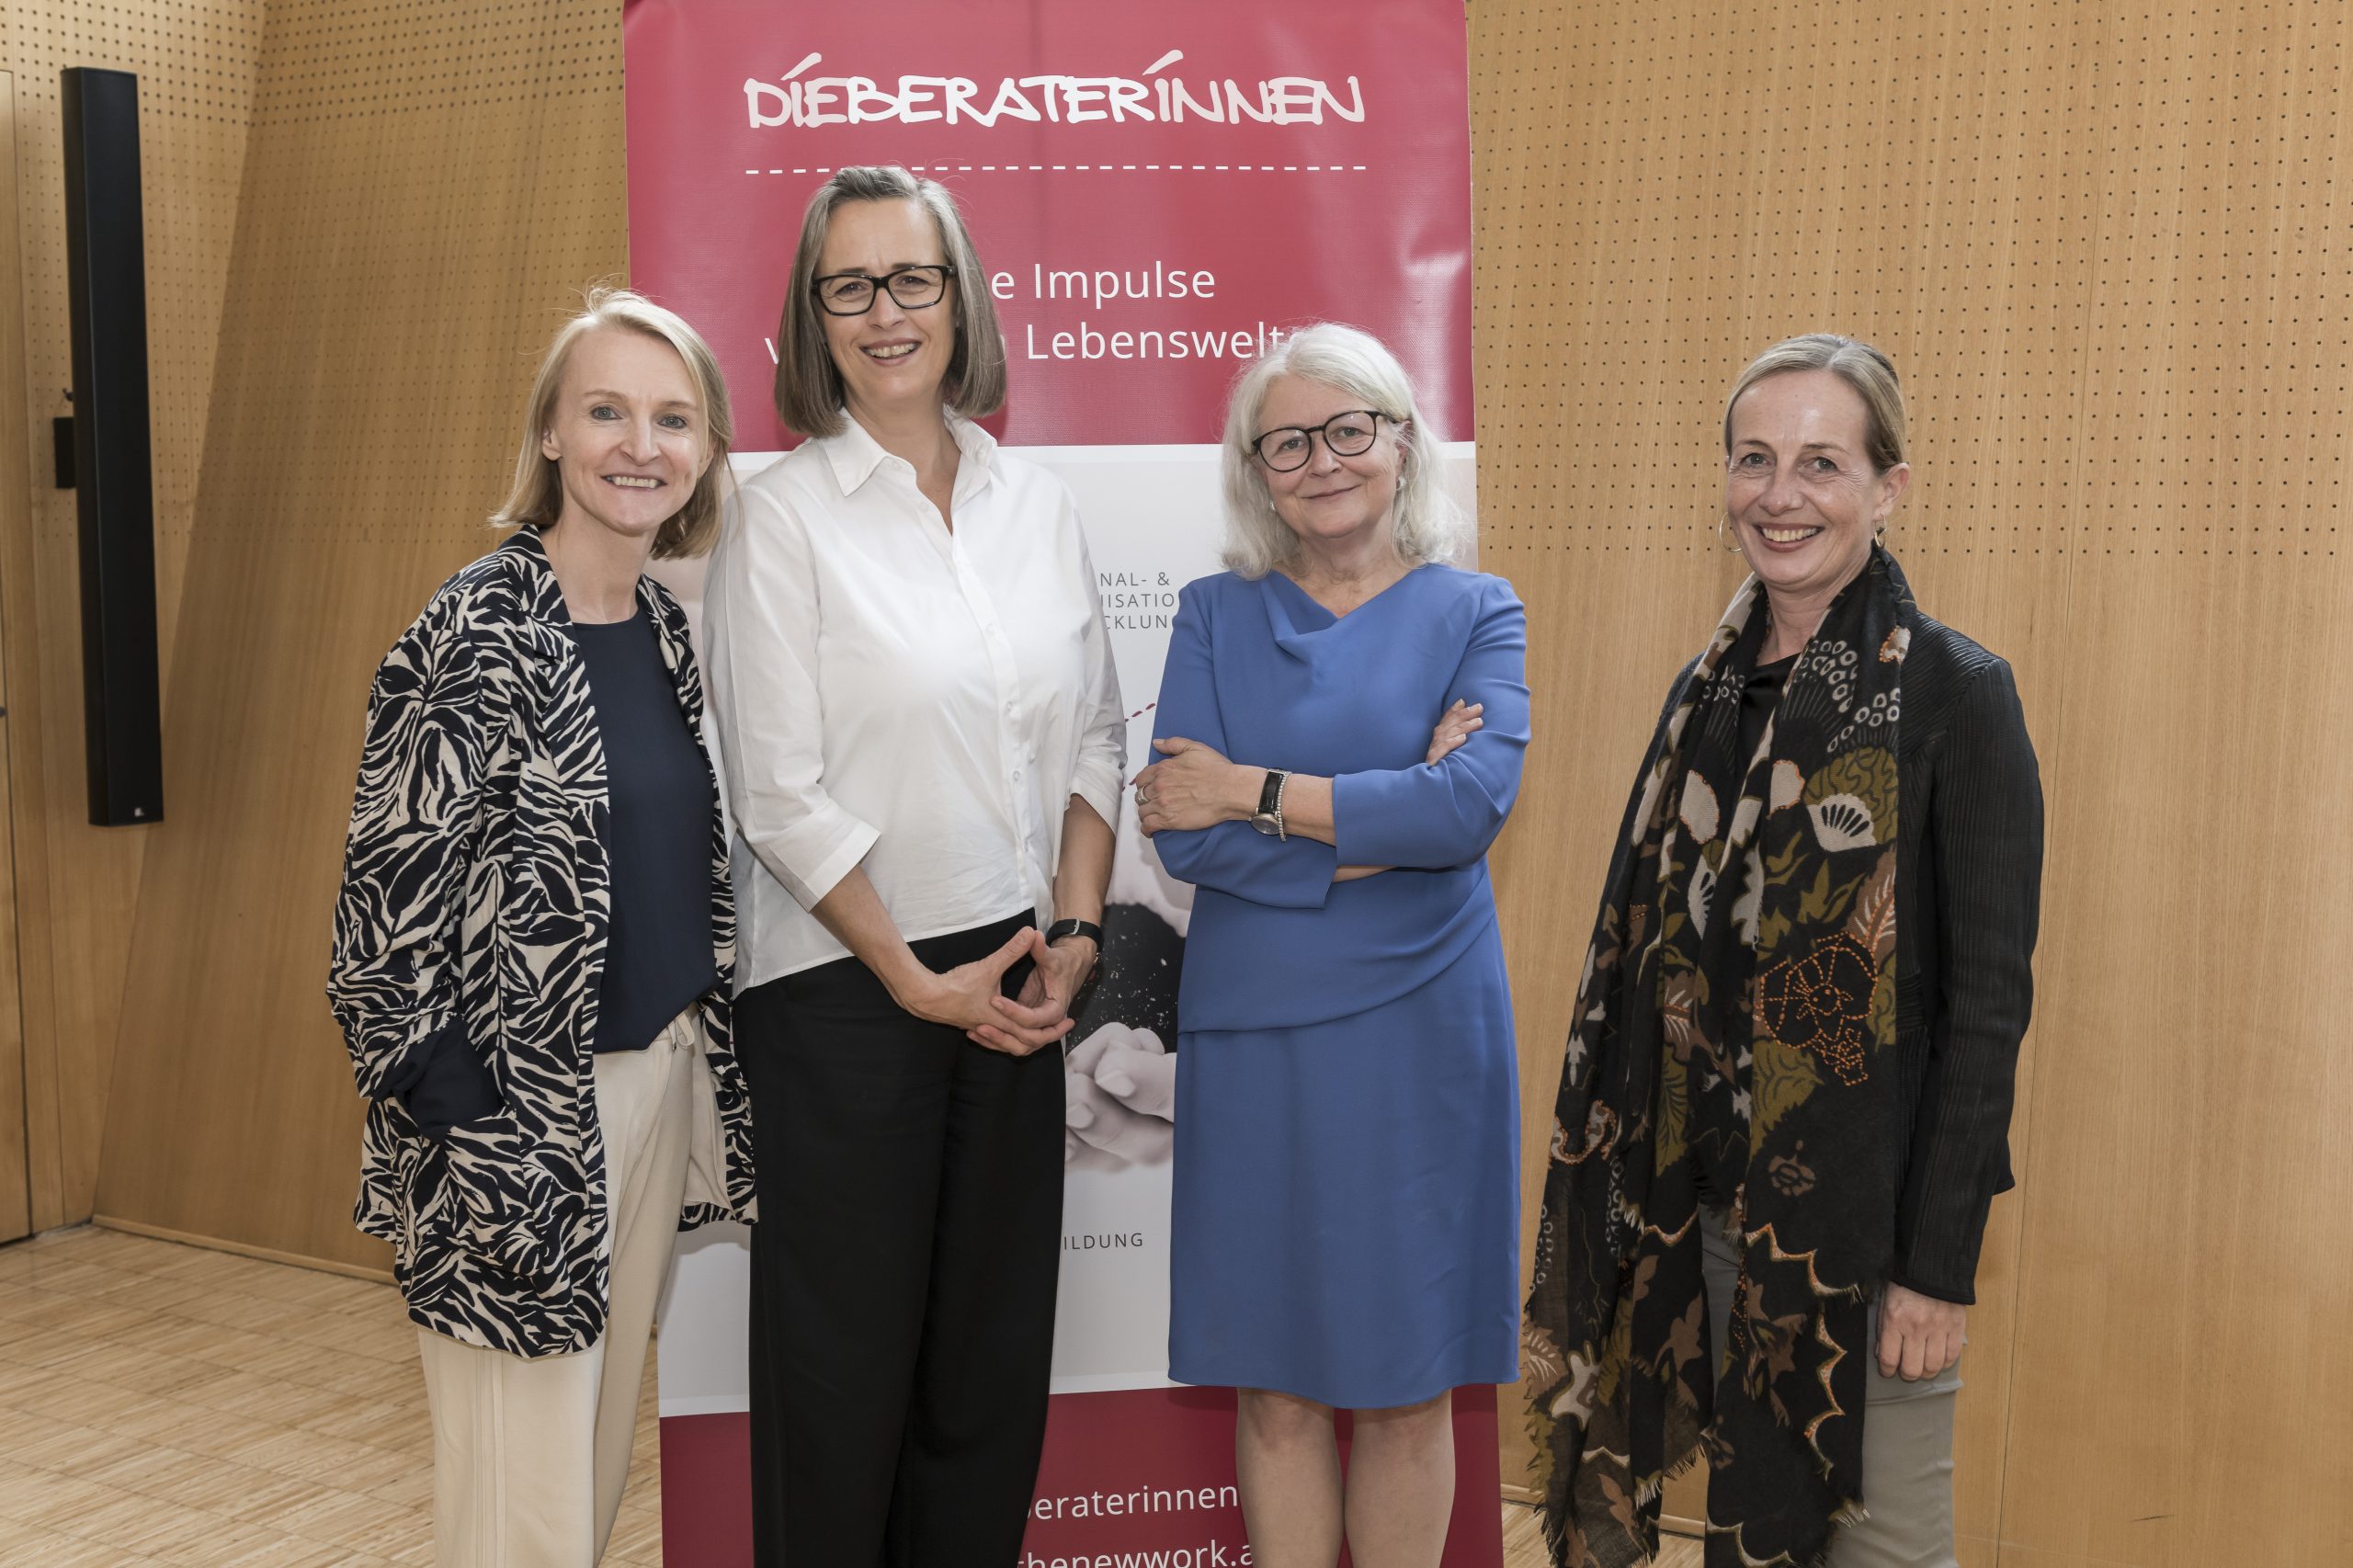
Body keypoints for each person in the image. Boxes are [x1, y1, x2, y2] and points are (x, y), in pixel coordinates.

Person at [1524, 334, 2044, 1566]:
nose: (1780, 493)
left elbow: (1986, 1007)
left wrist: (1936, 1269)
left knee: (1882, 1548)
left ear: (1888, 486)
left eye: (1822, 462)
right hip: (1694, 1209)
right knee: (1746, 1539)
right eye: (1755, 459)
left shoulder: (1956, 695)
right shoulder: (1699, 695)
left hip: (1859, 1234)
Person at [702, 165, 1124, 1565]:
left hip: (1015, 978)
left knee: (985, 1379)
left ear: (961, 298)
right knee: (841, 1391)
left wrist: (1072, 932)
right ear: (814, 317)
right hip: (843, 992)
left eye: (912, 280)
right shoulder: (783, 514)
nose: (885, 312)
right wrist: (914, 978)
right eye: (850, 286)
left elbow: (1094, 739)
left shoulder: (1036, 503)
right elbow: (778, 791)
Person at [327, 285, 756, 1566]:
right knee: (522, 1510)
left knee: (584, 1472)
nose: (642, 443)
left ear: (706, 452)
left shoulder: (663, 631)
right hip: (516, 1125)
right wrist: (474, 1129)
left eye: (674, 417)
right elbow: (379, 924)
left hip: (653, 1086)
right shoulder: (474, 627)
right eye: (608, 410)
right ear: (553, 436)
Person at [1134, 322, 1529, 1568]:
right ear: (1257, 469)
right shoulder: (1211, 613)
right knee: (1279, 1377)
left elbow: (1464, 811)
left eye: (1349, 429)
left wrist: (1256, 790)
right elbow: (1180, 840)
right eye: (1288, 440)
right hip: (1258, 1033)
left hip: (1424, 1029)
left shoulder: (1479, 609)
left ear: (1401, 442)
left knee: (1411, 1379)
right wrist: (1382, 804)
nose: (1323, 461)